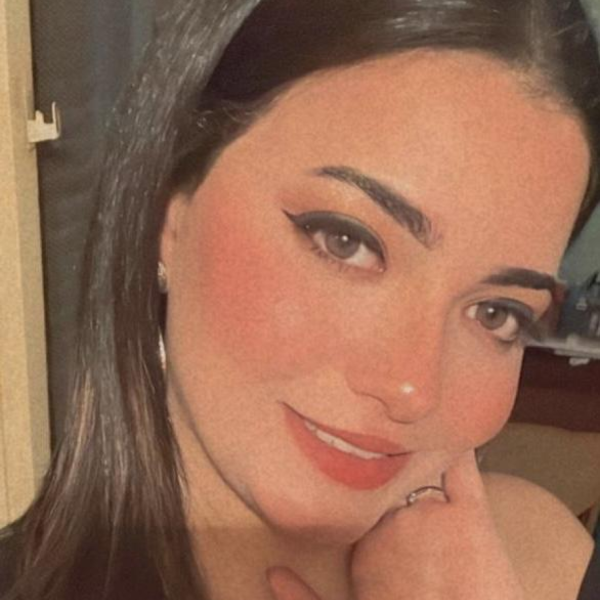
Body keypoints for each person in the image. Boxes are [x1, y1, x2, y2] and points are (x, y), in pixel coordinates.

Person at [1, 0, 600, 598]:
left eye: (497, 313)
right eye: (346, 242)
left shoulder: (544, 560)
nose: (411, 388)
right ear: (169, 207)